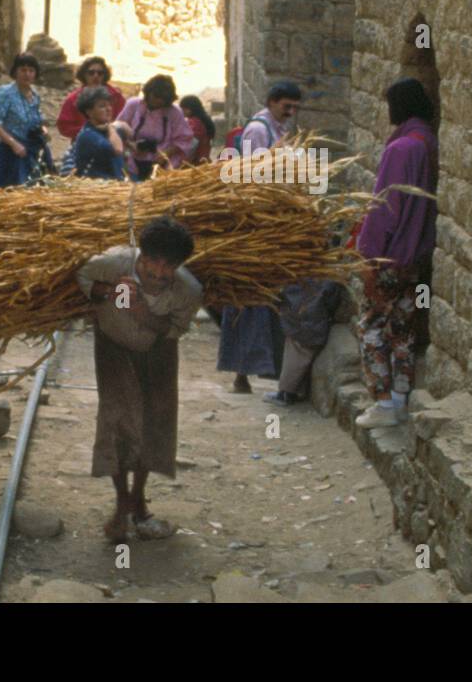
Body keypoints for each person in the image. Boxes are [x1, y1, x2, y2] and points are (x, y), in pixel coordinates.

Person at [76, 216, 204, 544]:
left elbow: (174, 330)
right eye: (153, 264)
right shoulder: (113, 262)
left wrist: (142, 314)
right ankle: (123, 503)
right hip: (112, 347)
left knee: (154, 423)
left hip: (158, 353)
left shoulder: (188, 290)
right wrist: (108, 290)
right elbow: (83, 277)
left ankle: (139, 496)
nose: (159, 274)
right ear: (141, 256)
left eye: (169, 267)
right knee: (117, 421)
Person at [353, 78, 438, 429]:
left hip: (390, 257)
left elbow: (385, 209)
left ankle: (384, 402)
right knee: (403, 327)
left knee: (371, 326)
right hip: (416, 257)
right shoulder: (427, 143)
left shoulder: (401, 148)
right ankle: (401, 398)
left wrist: (368, 256)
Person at [216, 80, 302, 393]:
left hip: (269, 219)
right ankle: (241, 372)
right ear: (272, 102)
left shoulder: (278, 129)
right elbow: (253, 174)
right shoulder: (258, 130)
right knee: (247, 298)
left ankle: (259, 368)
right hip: (253, 221)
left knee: (263, 298)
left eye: (294, 108)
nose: (290, 113)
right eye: (286, 106)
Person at [264, 278, 345, 406]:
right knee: (299, 356)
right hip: (314, 323)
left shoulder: (300, 279)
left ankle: (285, 394)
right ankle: (293, 392)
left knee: (296, 355)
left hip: (302, 325)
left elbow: (284, 298)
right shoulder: (328, 279)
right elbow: (331, 302)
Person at [115, 74, 193, 181]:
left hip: (160, 167)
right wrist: (131, 145)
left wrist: (165, 154)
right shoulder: (134, 105)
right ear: (148, 92)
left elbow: (184, 139)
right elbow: (117, 130)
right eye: (156, 96)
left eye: (163, 99)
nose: (158, 101)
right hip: (131, 160)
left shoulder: (174, 113)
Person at [0, 53, 49, 188]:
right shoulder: (5, 93)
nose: (27, 74)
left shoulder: (34, 95)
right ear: (15, 71)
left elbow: (38, 119)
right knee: (13, 194)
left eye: (31, 70)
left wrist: (43, 130)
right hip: (12, 151)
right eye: (23, 70)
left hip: (32, 150)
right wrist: (14, 144)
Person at [56, 55, 126, 140]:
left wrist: (111, 129)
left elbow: (124, 121)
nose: (95, 76)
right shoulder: (73, 99)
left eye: (100, 73)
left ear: (105, 75)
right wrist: (90, 131)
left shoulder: (116, 96)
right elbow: (64, 126)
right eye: (91, 72)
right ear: (83, 74)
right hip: (83, 143)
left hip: (112, 142)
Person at [71, 85, 127, 180]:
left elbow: (129, 132)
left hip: (114, 187)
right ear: (89, 112)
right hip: (96, 190)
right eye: (102, 106)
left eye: (109, 105)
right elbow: (118, 150)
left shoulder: (105, 130)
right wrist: (111, 127)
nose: (108, 109)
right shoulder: (88, 136)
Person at [178, 95, 215, 164]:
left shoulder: (194, 122)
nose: (182, 112)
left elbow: (192, 144)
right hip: (204, 159)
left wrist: (181, 160)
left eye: (184, 109)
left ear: (190, 109)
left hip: (195, 162)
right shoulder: (204, 120)